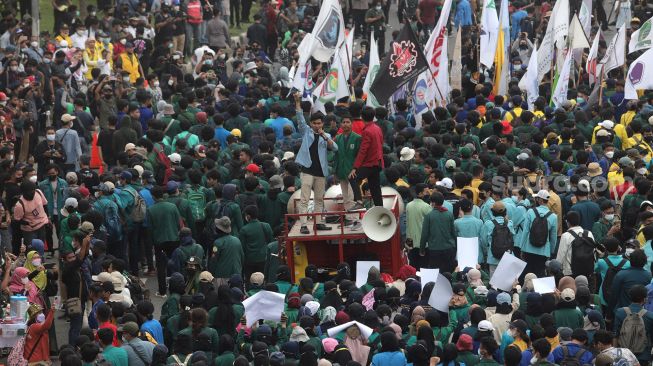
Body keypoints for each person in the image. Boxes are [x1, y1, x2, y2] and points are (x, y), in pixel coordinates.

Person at [293, 92, 338, 235]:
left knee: (319, 198)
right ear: (311, 123)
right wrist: (298, 102)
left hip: (321, 171)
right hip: (307, 169)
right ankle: (304, 225)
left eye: (319, 123)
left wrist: (325, 136)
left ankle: (318, 223)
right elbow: (300, 118)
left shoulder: (327, 136)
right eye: (314, 123)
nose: (317, 125)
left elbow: (335, 148)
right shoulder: (306, 132)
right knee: (305, 198)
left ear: (322, 124)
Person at [147, 185, 182, 297]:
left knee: (161, 266)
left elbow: (150, 229)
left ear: (153, 196)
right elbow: (178, 223)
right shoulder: (172, 206)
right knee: (176, 263)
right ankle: (178, 286)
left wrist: (152, 243)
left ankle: (162, 291)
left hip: (159, 242)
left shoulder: (151, 210)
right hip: (174, 239)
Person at [350, 106, 383, 208]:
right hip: (378, 162)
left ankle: (359, 201)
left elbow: (363, 151)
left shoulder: (367, 131)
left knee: (352, 178)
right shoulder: (377, 128)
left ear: (362, 116)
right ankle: (380, 208)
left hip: (370, 163)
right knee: (375, 188)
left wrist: (355, 167)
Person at [419, 192, 456, 273]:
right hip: (449, 249)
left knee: (436, 273)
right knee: (448, 272)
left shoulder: (429, 216)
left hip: (435, 249)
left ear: (433, 203)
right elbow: (453, 232)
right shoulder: (449, 214)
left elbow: (424, 234)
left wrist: (422, 249)